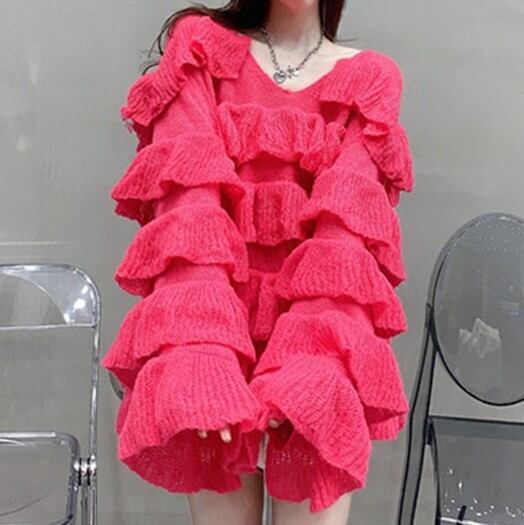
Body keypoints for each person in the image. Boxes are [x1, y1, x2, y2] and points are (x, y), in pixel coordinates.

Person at [101, 1, 414, 523]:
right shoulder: (200, 49)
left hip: (319, 347)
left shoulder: (370, 80)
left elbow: (344, 245)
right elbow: (189, 210)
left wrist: (308, 376)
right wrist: (202, 360)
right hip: (210, 336)